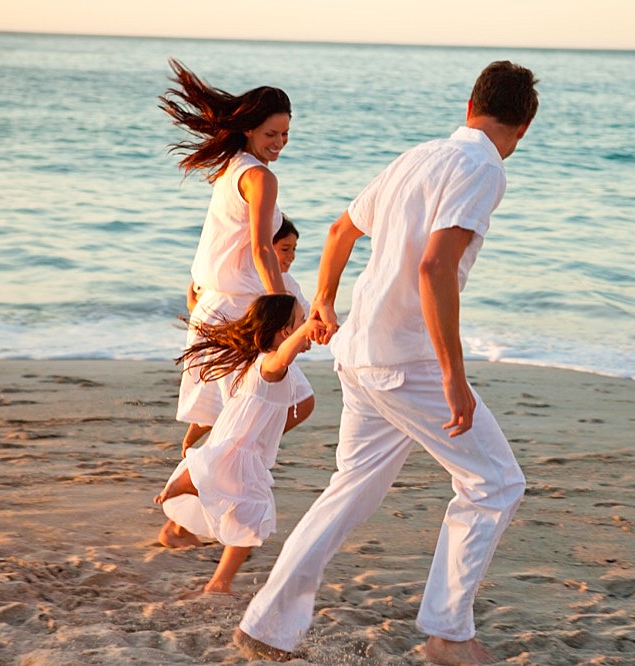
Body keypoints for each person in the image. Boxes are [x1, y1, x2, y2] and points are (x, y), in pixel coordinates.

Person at [235, 61, 539, 665]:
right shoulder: (483, 167)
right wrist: (454, 376)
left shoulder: (418, 156)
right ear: (523, 125)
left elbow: (340, 229)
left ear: (469, 105)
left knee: (348, 489)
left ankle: (266, 626)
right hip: (407, 363)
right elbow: (435, 267)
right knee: (495, 484)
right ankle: (449, 635)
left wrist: (323, 300)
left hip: (359, 356)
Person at [157, 58, 315, 548]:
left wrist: (199, 285)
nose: (279, 143)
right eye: (272, 133)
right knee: (279, 409)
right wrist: (282, 303)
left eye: (286, 135)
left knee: (265, 415)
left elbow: (226, 241)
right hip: (240, 316)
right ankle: (198, 484)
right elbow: (259, 249)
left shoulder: (234, 169)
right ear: (249, 128)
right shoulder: (258, 177)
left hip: (221, 309)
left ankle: (186, 518)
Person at [155, 294, 325, 593]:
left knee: (246, 518)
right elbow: (285, 354)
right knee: (253, 516)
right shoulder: (272, 363)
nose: (304, 326)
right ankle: (219, 579)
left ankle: (219, 579)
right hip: (240, 451)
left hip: (239, 447)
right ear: (286, 332)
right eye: (300, 320)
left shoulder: (257, 361)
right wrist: (307, 328)